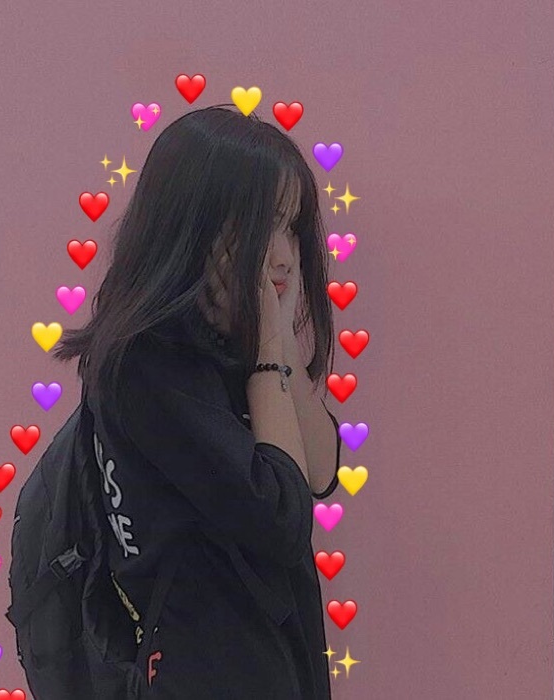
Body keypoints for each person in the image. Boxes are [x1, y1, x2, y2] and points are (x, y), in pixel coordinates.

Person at [52, 104, 342, 698]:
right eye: (264, 225)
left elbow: (319, 471)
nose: (284, 255)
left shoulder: (229, 346)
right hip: (205, 669)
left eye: (292, 227)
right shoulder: (147, 362)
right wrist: (267, 356)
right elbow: (283, 519)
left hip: (269, 655)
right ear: (196, 227)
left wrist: (279, 340)